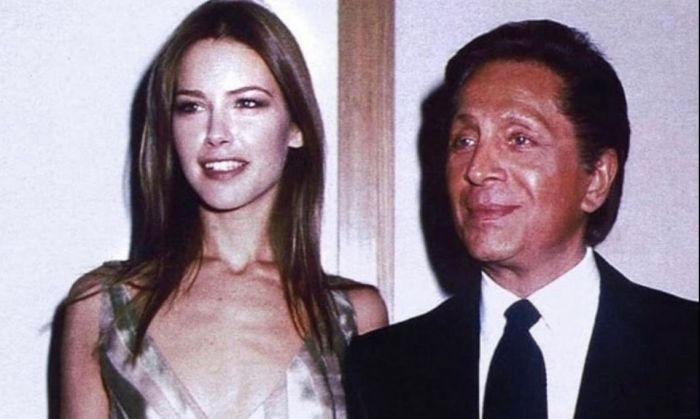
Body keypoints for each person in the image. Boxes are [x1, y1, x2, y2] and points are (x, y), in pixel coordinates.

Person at [344, 19, 698, 419]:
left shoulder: (684, 350)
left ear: (596, 178)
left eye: (519, 139)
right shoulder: (384, 367)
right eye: (464, 141)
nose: (478, 169)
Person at [59, 1, 388, 417]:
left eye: (247, 103)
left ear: (296, 126)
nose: (216, 133)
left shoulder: (356, 315)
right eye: (192, 107)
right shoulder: (100, 307)